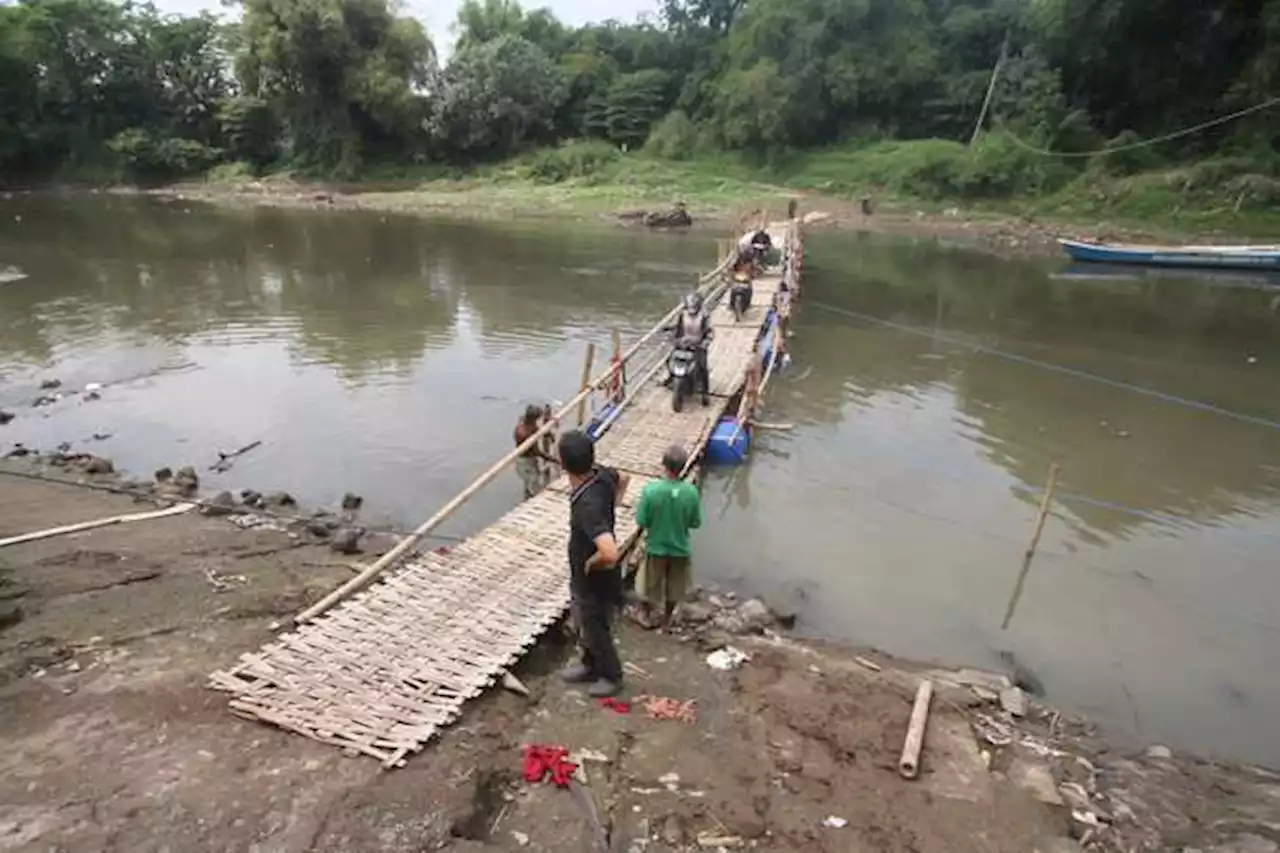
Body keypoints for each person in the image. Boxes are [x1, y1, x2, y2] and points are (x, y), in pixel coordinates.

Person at [558, 429, 630, 697]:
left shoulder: (587, 505)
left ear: (562, 464)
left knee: (595, 624)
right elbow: (624, 478)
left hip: (594, 578)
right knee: (583, 621)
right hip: (586, 576)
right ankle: (589, 664)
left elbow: (609, 553)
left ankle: (612, 675)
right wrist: (613, 507)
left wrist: (591, 563)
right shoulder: (600, 474)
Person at [634, 445, 702, 632]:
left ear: (663, 465)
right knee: (674, 586)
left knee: (648, 582)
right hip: (679, 547)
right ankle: (666, 621)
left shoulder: (651, 490)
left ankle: (645, 614)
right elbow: (695, 523)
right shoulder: (691, 492)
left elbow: (642, 520)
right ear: (683, 467)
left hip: (656, 546)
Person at [670, 291, 713, 406]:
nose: (691, 310)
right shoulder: (682, 315)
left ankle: (705, 393)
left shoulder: (704, 316)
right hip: (683, 344)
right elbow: (676, 328)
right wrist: (673, 337)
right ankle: (670, 378)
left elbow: (709, 332)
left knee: (703, 368)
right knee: (669, 359)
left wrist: (705, 342)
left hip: (698, 346)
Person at [514, 405, 555, 499]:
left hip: (530, 458)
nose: (538, 422)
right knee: (533, 483)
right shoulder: (524, 434)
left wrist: (548, 433)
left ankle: (527, 496)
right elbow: (539, 453)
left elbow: (537, 429)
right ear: (533, 419)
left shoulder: (526, 423)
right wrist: (556, 460)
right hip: (524, 462)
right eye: (537, 419)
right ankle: (532, 501)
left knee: (531, 481)